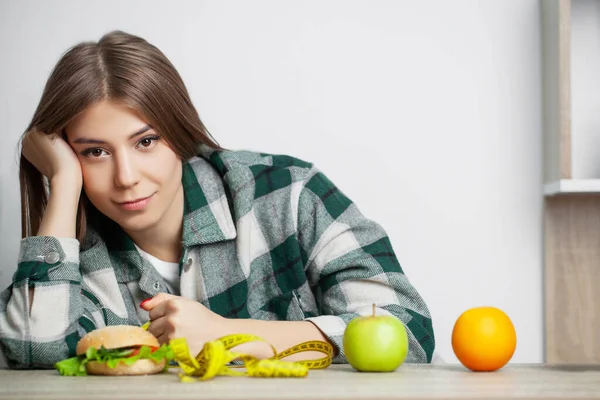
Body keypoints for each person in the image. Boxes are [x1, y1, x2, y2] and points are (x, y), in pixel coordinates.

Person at [0, 30, 435, 369]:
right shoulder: (76, 257)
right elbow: (34, 351)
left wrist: (230, 336)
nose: (126, 178)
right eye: (95, 152)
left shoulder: (286, 194)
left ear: (179, 130)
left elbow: (407, 329)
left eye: (146, 141)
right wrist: (61, 182)